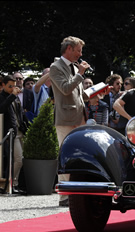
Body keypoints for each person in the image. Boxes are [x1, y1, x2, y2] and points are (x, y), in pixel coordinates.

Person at [49, 36, 91, 206]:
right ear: (68, 49)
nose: (80, 54)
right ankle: (64, 196)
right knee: (66, 156)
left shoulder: (74, 66)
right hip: (65, 119)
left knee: (80, 156)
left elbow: (78, 93)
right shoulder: (55, 67)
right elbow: (66, 89)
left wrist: (94, 95)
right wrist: (80, 73)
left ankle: (77, 192)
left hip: (79, 117)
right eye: (78, 50)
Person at [0, 75, 27, 194]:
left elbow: (20, 114)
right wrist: (12, 96)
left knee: (19, 159)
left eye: (14, 86)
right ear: (3, 85)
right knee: (18, 159)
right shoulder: (3, 96)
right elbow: (1, 109)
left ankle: (12, 184)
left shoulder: (16, 98)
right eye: (10, 86)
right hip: (10, 133)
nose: (12, 88)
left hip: (19, 130)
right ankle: (10, 184)